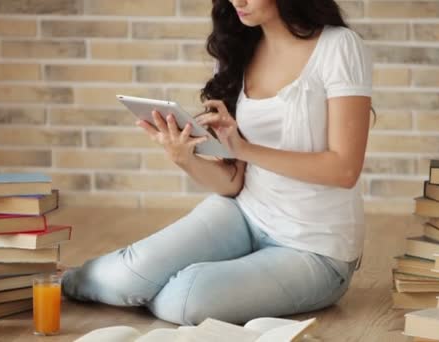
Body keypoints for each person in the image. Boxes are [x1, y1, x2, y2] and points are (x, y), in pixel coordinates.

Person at [62, 0, 373, 326]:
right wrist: (184, 157)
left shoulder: (338, 46)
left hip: (315, 247)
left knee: (181, 300)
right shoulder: (240, 50)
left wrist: (243, 148)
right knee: (116, 279)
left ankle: (161, 287)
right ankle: (62, 280)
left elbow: (344, 169)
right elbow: (233, 182)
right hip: (245, 212)